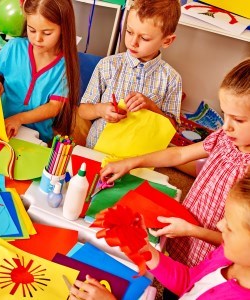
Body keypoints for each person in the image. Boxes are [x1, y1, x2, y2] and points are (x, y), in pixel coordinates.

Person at [100, 58, 250, 268]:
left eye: (238, 120)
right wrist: (130, 162)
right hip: (184, 232)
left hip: (212, 256)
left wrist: (192, 230)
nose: (226, 126)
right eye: (225, 114)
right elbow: (178, 155)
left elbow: (243, 244)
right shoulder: (224, 137)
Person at [69, 173, 250, 299]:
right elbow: (189, 282)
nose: (219, 226)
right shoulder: (225, 255)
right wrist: (145, 250)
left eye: (231, 227)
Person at [78, 0, 182, 149]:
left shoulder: (172, 79)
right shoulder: (107, 65)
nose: (133, 42)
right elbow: (82, 111)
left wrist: (151, 106)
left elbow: (171, 129)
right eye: (129, 32)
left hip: (139, 158)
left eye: (144, 38)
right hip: (97, 149)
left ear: (167, 41)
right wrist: (99, 110)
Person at [0, 0, 80, 143]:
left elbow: (54, 107)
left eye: (47, 33)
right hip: (1, 124)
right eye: (32, 30)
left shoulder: (64, 65)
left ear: (63, 28)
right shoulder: (14, 47)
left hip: (36, 136)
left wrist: (19, 119)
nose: (37, 38)